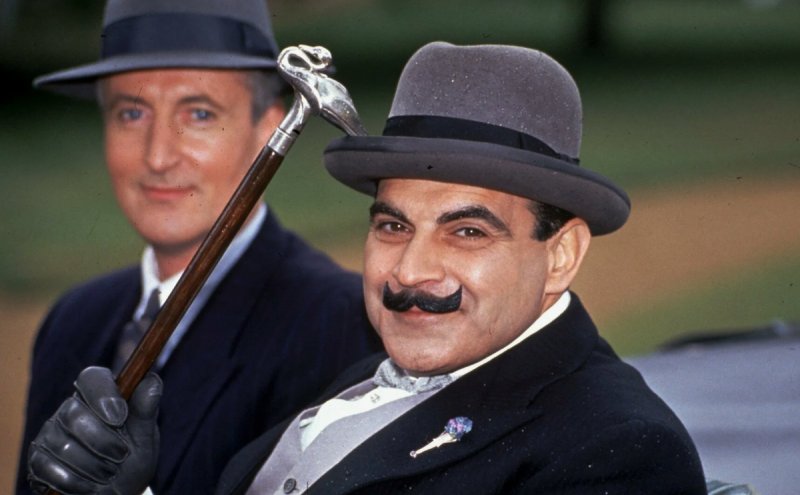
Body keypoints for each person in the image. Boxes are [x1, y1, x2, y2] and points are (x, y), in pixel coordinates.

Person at [26, 42, 708, 494]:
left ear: (560, 254)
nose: (409, 272)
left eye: (468, 231)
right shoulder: (362, 376)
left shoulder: (616, 450)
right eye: (393, 225)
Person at [16, 1, 381, 493]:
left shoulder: (338, 326)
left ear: (267, 126)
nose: (158, 155)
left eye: (200, 113)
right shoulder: (72, 320)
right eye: (131, 112)